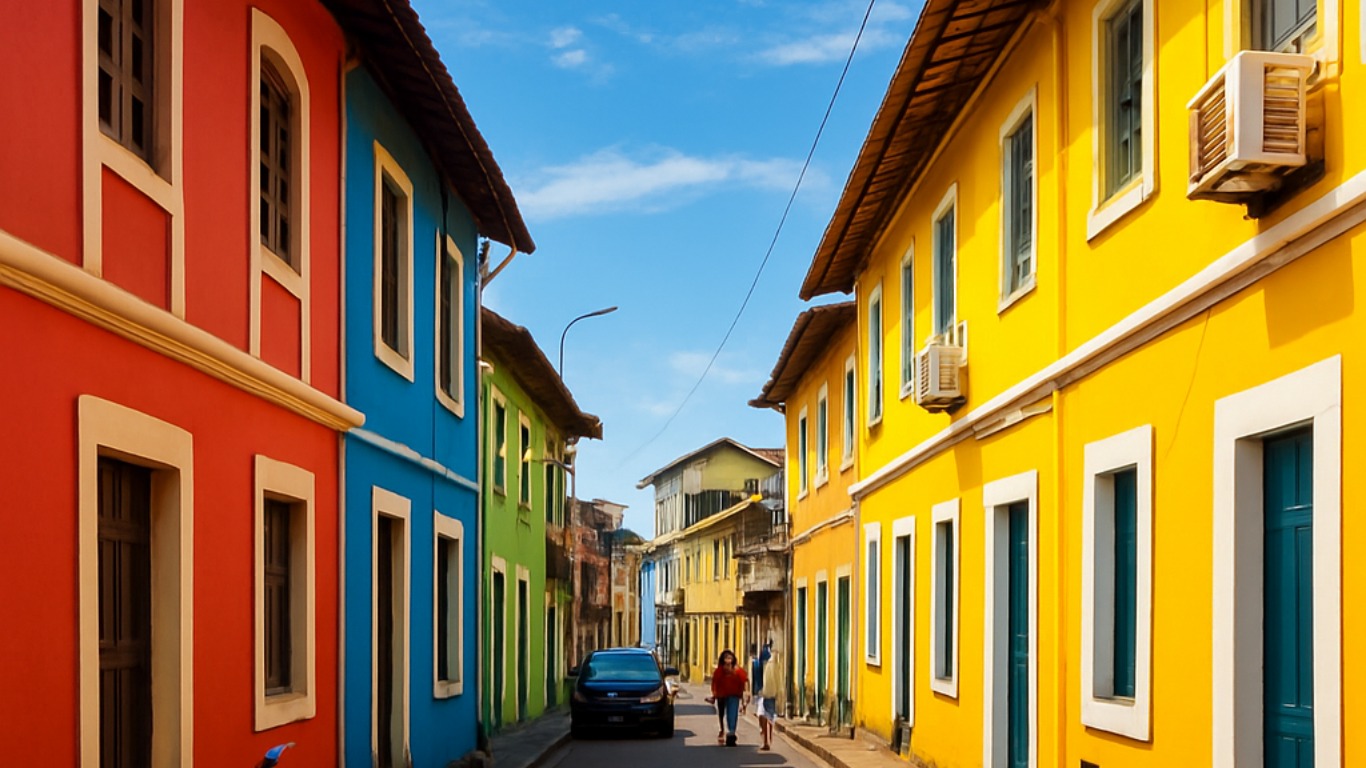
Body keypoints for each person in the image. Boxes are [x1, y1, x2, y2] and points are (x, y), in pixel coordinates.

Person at [710, 649, 748, 746]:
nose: (728, 660)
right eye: (726, 658)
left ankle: (731, 733)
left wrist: (746, 693)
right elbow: (715, 683)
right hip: (721, 696)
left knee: (732, 714)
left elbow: (745, 680)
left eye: (730, 657)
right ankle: (722, 729)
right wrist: (714, 695)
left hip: (733, 695)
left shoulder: (737, 670)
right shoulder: (719, 671)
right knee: (721, 714)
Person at [754, 649, 784, 750]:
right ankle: (766, 737)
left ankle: (767, 740)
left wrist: (778, 694)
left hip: (769, 694)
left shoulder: (772, 665)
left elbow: (777, 680)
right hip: (762, 693)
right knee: (762, 716)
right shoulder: (758, 665)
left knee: (767, 716)